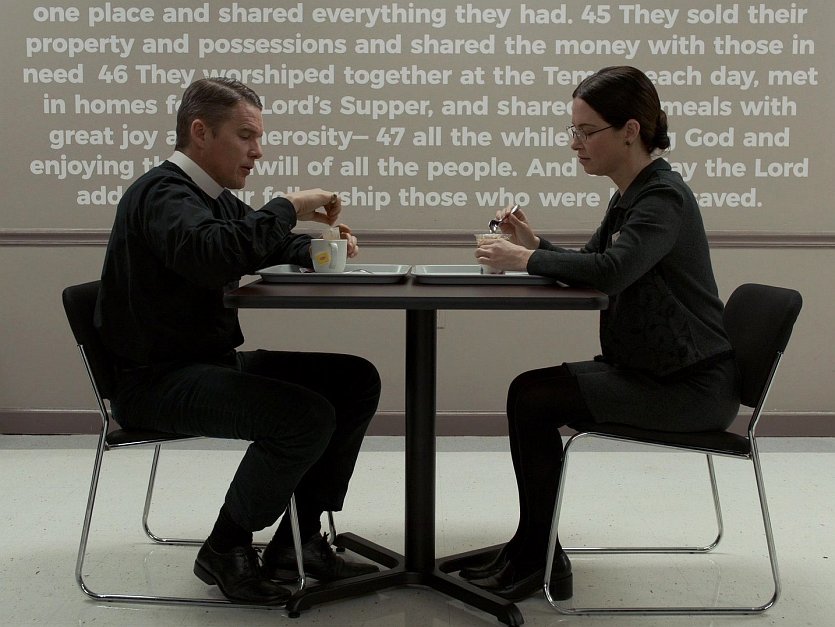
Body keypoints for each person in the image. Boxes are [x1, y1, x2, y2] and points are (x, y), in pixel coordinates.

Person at [95, 78, 382, 605]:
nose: (258, 151)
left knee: (354, 380)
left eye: (259, 138)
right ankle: (225, 548)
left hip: (207, 364)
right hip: (156, 382)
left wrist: (315, 246)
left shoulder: (210, 200)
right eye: (246, 136)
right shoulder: (162, 194)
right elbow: (215, 254)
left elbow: (252, 242)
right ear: (200, 132)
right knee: (303, 417)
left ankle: (297, 543)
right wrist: (288, 205)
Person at [469, 66, 740, 601]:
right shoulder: (631, 195)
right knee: (529, 393)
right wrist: (534, 243)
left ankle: (538, 555)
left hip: (689, 388)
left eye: (586, 131)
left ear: (630, 131)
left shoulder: (663, 198)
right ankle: (535, 547)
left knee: (532, 398)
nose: (575, 144)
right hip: (656, 372)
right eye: (573, 131)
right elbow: (595, 261)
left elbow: (612, 272)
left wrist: (525, 259)